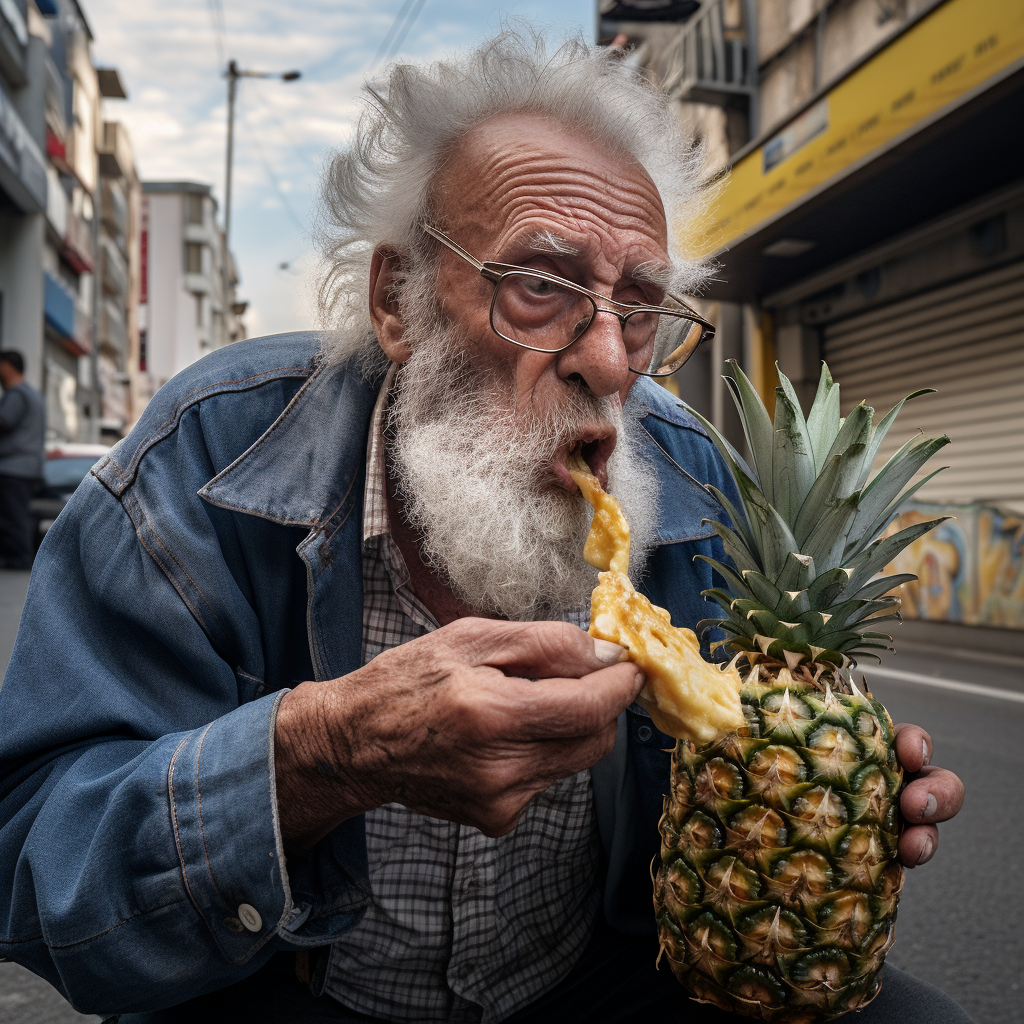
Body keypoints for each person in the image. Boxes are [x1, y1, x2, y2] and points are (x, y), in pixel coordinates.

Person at [0, 31, 968, 1024]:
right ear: (398, 301)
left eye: (640, 307)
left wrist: (813, 787)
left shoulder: (689, 483)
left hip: (594, 980)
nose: (611, 362)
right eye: (540, 286)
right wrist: (320, 755)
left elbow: (755, 742)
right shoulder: (201, 458)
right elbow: (33, 864)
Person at [0, 349, 45, 570]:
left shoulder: (17, 395)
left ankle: (18, 559)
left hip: (13, 467)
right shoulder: (33, 394)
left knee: (13, 516)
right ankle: (19, 557)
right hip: (27, 467)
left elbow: (4, 420)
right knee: (16, 514)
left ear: (7, 366)